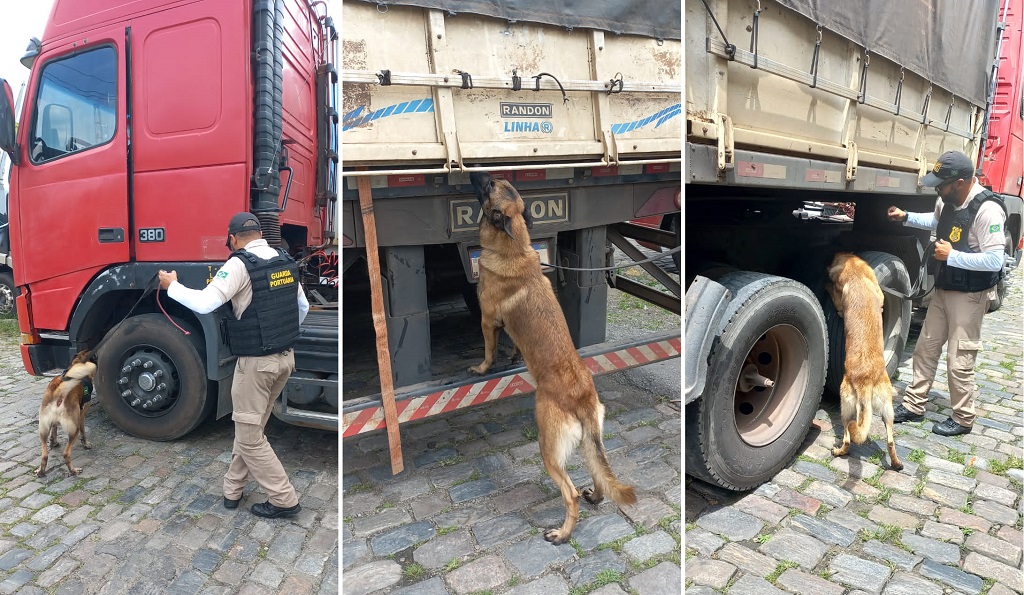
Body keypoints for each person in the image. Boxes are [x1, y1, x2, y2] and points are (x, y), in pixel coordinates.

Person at [158, 212, 309, 518]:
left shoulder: (239, 264)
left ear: (233, 238)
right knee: (250, 427)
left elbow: (204, 303)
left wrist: (172, 286)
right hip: (284, 360)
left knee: (251, 437)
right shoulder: (284, 260)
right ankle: (233, 489)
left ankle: (284, 499)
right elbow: (302, 308)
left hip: (256, 365)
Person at [886, 150, 1007, 436]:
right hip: (944, 288)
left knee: (959, 360)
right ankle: (915, 406)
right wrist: (906, 217)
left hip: (970, 295)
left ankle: (964, 418)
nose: (937, 188)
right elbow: (936, 221)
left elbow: (995, 260)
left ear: (962, 182)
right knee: (925, 349)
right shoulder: (947, 200)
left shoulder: (988, 210)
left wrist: (952, 256)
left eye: (942, 183)